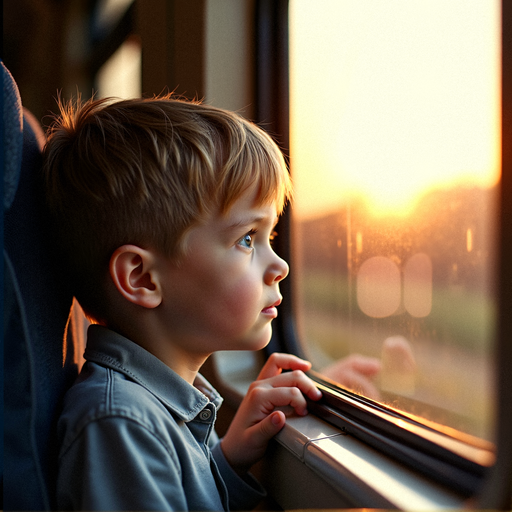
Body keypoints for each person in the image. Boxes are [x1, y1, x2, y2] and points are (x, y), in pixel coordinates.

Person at [43, 94, 323, 511]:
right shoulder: (121, 425)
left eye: (271, 238)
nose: (279, 264)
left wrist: (227, 460)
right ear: (141, 278)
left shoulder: (160, 407)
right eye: (247, 239)